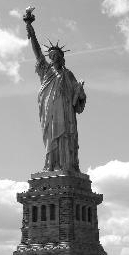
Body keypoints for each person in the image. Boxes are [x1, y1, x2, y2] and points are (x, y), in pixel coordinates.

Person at [24, 9, 86, 172]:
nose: (54, 58)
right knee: (52, 136)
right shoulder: (46, 71)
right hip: (50, 109)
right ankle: (51, 165)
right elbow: (37, 51)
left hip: (65, 111)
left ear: (62, 58)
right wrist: (30, 27)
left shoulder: (68, 74)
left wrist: (79, 92)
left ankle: (66, 165)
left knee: (66, 136)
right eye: (52, 56)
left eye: (57, 56)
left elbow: (77, 96)